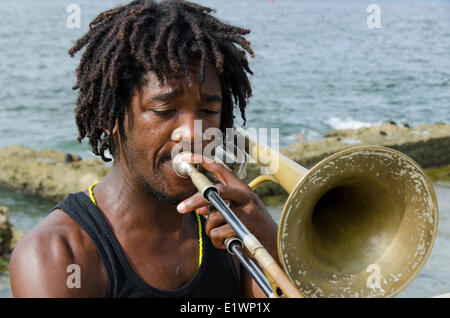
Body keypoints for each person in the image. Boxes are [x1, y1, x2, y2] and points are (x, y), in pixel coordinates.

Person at [9, 0, 278, 298]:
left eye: (208, 110)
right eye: (164, 110)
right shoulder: (57, 255)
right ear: (108, 116)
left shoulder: (234, 234)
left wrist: (277, 246)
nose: (193, 133)